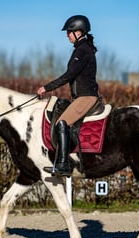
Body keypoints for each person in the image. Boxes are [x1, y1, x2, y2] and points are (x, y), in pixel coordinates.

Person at [37, 15, 99, 177]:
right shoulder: (82, 49)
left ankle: (63, 165)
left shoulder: (83, 50)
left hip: (86, 97)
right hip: (81, 97)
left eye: (69, 31)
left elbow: (69, 75)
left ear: (79, 32)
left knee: (62, 123)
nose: (67, 35)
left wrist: (47, 87)